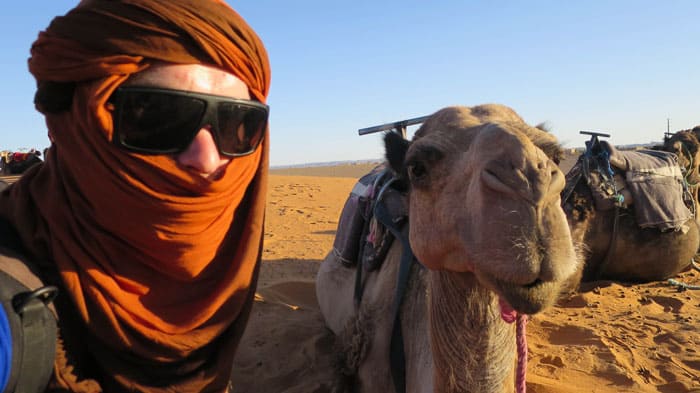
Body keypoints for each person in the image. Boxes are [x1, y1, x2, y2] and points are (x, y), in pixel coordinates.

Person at [0, 0, 271, 392]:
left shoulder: (227, 278)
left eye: (237, 124)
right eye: (158, 116)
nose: (207, 159)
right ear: (75, 123)